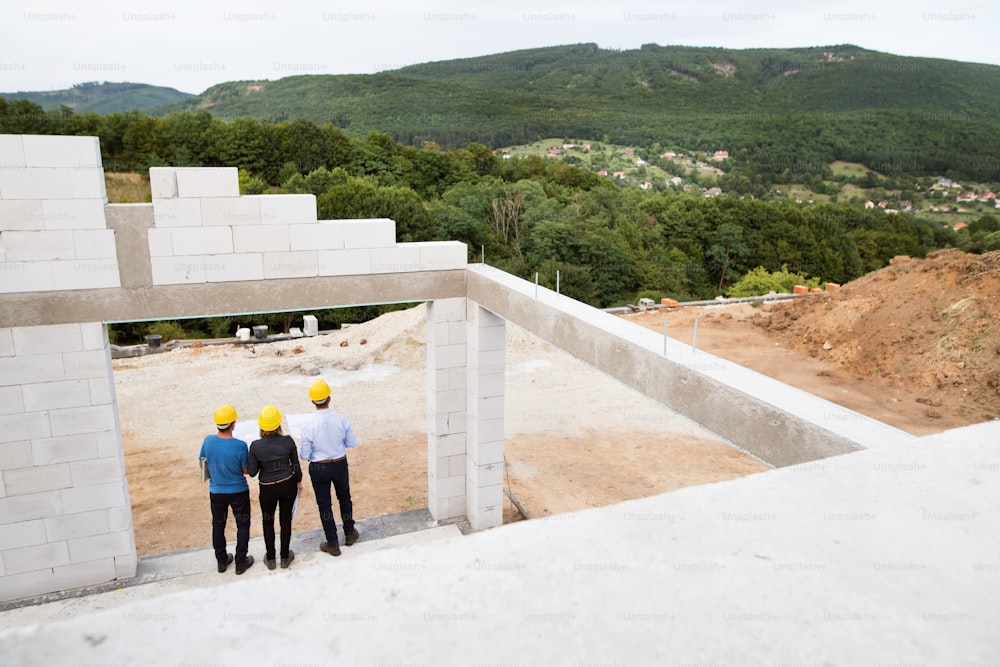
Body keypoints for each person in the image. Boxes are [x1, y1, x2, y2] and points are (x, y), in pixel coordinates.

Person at [299, 379, 359, 557]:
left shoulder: (309, 426)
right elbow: (352, 443)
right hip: (340, 463)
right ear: (329, 398)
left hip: (319, 467)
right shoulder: (342, 419)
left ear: (312, 401)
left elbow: (304, 455)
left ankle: (332, 543)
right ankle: (349, 532)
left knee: (324, 505)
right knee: (344, 498)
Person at [199, 405, 254, 575]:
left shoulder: (208, 441)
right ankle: (240, 561)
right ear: (233, 424)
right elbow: (246, 470)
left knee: (218, 525)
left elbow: (202, 463)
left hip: (216, 492)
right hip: (238, 491)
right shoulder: (240, 445)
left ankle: (221, 561)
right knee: (242, 525)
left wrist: (214, 476)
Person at [248, 405, 302, 570]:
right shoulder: (287, 441)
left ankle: (271, 558)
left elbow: (252, 472)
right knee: (285, 520)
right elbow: (296, 466)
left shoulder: (256, 446)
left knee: (267, 521)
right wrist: (298, 481)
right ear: (279, 424)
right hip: (287, 484)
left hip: (267, 488)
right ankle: (285, 557)